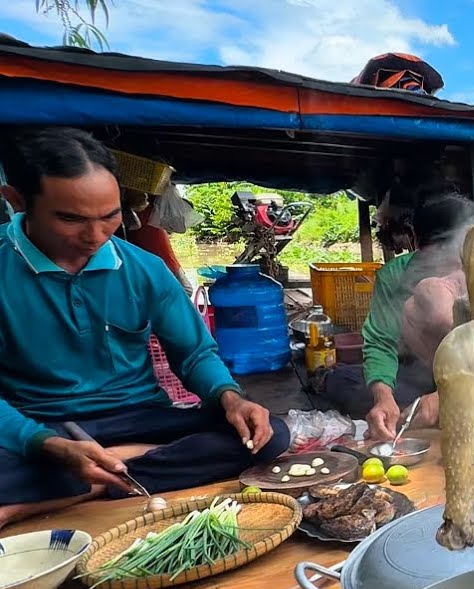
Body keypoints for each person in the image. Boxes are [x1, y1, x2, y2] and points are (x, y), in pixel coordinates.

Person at [0, 127, 290, 528]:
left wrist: (230, 398)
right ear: (16, 201)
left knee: (268, 434)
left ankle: (85, 485)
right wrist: (46, 444)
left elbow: (194, 353)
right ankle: (124, 466)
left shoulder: (144, 268)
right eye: (71, 218)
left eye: (110, 216)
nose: (96, 236)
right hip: (39, 427)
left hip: (141, 417)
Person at [317, 191, 474, 438]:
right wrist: (383, 396)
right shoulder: (394, 275)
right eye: (431, 258)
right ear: (414, 242)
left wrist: (449, 393)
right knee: (345, 380)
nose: (442, 267)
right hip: (421, 373)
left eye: (451, 257)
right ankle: (414, 412)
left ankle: (448, 408)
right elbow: (381, 341)